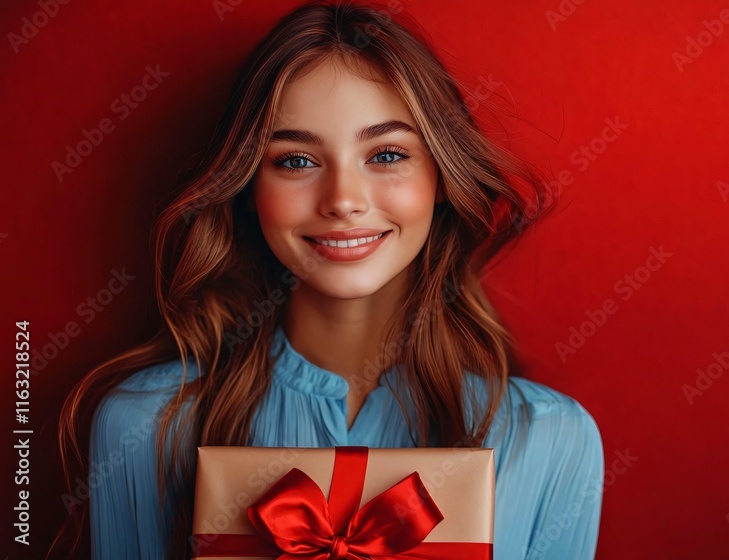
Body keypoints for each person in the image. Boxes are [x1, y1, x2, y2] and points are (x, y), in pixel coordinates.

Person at [56, 2, 604, 559]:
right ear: (248, 187)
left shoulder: (551, 439)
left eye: (386, 154)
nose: (343, 200)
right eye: (296, 160)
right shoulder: (145, 426)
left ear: (441, 176)